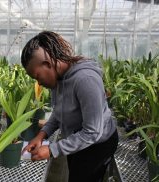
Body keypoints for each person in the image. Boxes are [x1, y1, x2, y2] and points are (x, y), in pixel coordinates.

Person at [20, 31, 118, 182]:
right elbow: (58, 113)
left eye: (37, 76)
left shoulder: (85, 80)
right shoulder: (57, 80)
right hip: (77, 139)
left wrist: (52, 149)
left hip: (98, 144)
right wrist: (41, 135)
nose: (38, 83)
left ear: (48, 64)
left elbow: (92, 132)